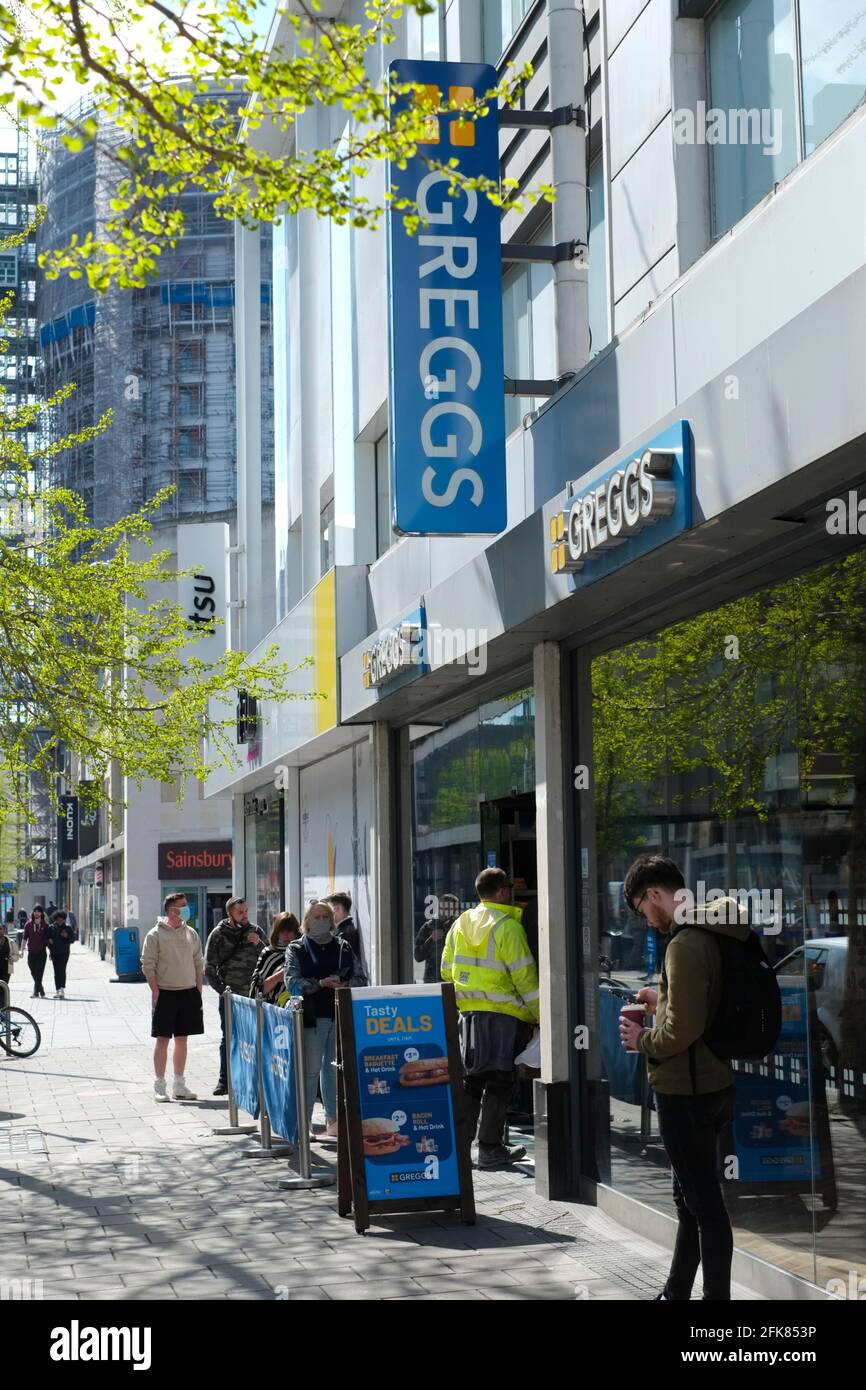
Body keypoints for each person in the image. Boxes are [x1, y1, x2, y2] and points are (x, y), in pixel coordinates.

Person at [619, 854, 747, 1303]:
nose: (645, 920)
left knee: (705, 1207)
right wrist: (661, 1000)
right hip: (710, 1083)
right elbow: (695, 1011)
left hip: (686, 1090)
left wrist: (642, 1039)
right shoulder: (709, 932)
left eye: (641, 909)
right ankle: (675, 1293)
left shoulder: (684, 943)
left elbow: (680, 1032)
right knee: (689, 1201)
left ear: (654, 895)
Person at [441, 866, 540, 1170]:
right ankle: (490, 1149)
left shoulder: (460, 923)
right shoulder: (508, 927)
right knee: (500, 1082)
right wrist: (540, 1014)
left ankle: (461, 1149)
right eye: (508, 888)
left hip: (468, 1015)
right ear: (501, 891)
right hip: (504, 1017)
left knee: (472, 1082)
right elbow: (524, 976)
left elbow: (446, 970)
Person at [285, 901, 366, 1139]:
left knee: (332, 1070)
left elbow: (360, 978)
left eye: (325, 916)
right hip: (312, 1016)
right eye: (316, 916)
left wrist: (345, 983)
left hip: (339, 1015)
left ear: (332, 920)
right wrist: (320, 983)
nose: (320, 920)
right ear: (307, 921)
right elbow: (292, 982)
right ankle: (304, 1121)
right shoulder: (297, 948)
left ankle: (333, 1120)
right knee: (310, 1071)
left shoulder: (342, 947)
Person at [141, 892, 204, 1103]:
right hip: (165, 993)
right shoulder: (155, 934)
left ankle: (179, 1085)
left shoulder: (191, 933)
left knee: (182, 1039)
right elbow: (147, 965)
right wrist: (156, 992)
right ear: (171, 910)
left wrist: (198, 990)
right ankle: (160, 1085)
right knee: (162, 1040)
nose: (187, 909)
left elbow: (198, 962)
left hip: (188, 993)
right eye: (183, 905)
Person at [204, 896, 267, 1096]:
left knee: (254, 1037)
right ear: (230, 913)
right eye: (240, 912)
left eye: (246, 911)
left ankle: (253, 1080)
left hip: (252, 996)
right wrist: (223, 991)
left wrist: (258, 944)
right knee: (229, 1037)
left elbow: (268, 957)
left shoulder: (255, 931)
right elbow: (209, 967)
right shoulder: (219, 934)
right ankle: (225, 1080)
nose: (245, 915)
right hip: (230, 996)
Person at [249, 911, 301, 1004]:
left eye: (289, 930)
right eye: (282, 931)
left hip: (302, 1010)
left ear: (295, 931)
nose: (286, 935)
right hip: (274, 1011)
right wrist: (276, 977)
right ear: (276, 932)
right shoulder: (268, 953)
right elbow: (256, 990)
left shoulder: (303, 951)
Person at [47, 910, 78, 999]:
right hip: (54, 952)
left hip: (64, 952)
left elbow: (73, 939)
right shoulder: (51, 927)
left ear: (64, 919)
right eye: (58, 919)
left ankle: (62, 989)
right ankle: (57, 989)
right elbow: (46, 939)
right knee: (56, 971)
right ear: (55, 919)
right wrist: (49, 940)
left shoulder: (68, 928)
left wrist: (67, 936)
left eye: (61, 919)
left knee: (62, 969)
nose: (60, 921)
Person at [323, 892, 362, 961]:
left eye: (328, 911)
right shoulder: (344, 931)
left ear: (337, 909)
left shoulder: (345, 934)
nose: (326, 915)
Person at [23, 906, 50, 999]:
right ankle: (41, 989)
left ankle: (36, 992)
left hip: (41, 952)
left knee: (39, 972)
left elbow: (47, 940)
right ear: (33, 913)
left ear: (42, 913)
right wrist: (22, 950)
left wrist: (50, 952)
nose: (37, 913)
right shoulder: (28, 924)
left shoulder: (45, 925)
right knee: (33, 971)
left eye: (39, 911)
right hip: (31, 952)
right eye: (35, 911)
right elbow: (24, 938)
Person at [413, 916, 447, 983]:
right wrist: (431, 940)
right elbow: (418, 956)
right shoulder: (428, 926)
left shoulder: (456, 925)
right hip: (432, 980)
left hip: (452, 979)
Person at [0, 920, 21, 996]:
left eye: (0, 929)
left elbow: (17, 955)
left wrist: (12, 958)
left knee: (3, 989)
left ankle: (3, 1006)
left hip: (6, 970)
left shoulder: (11, 942)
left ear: (4, 930)